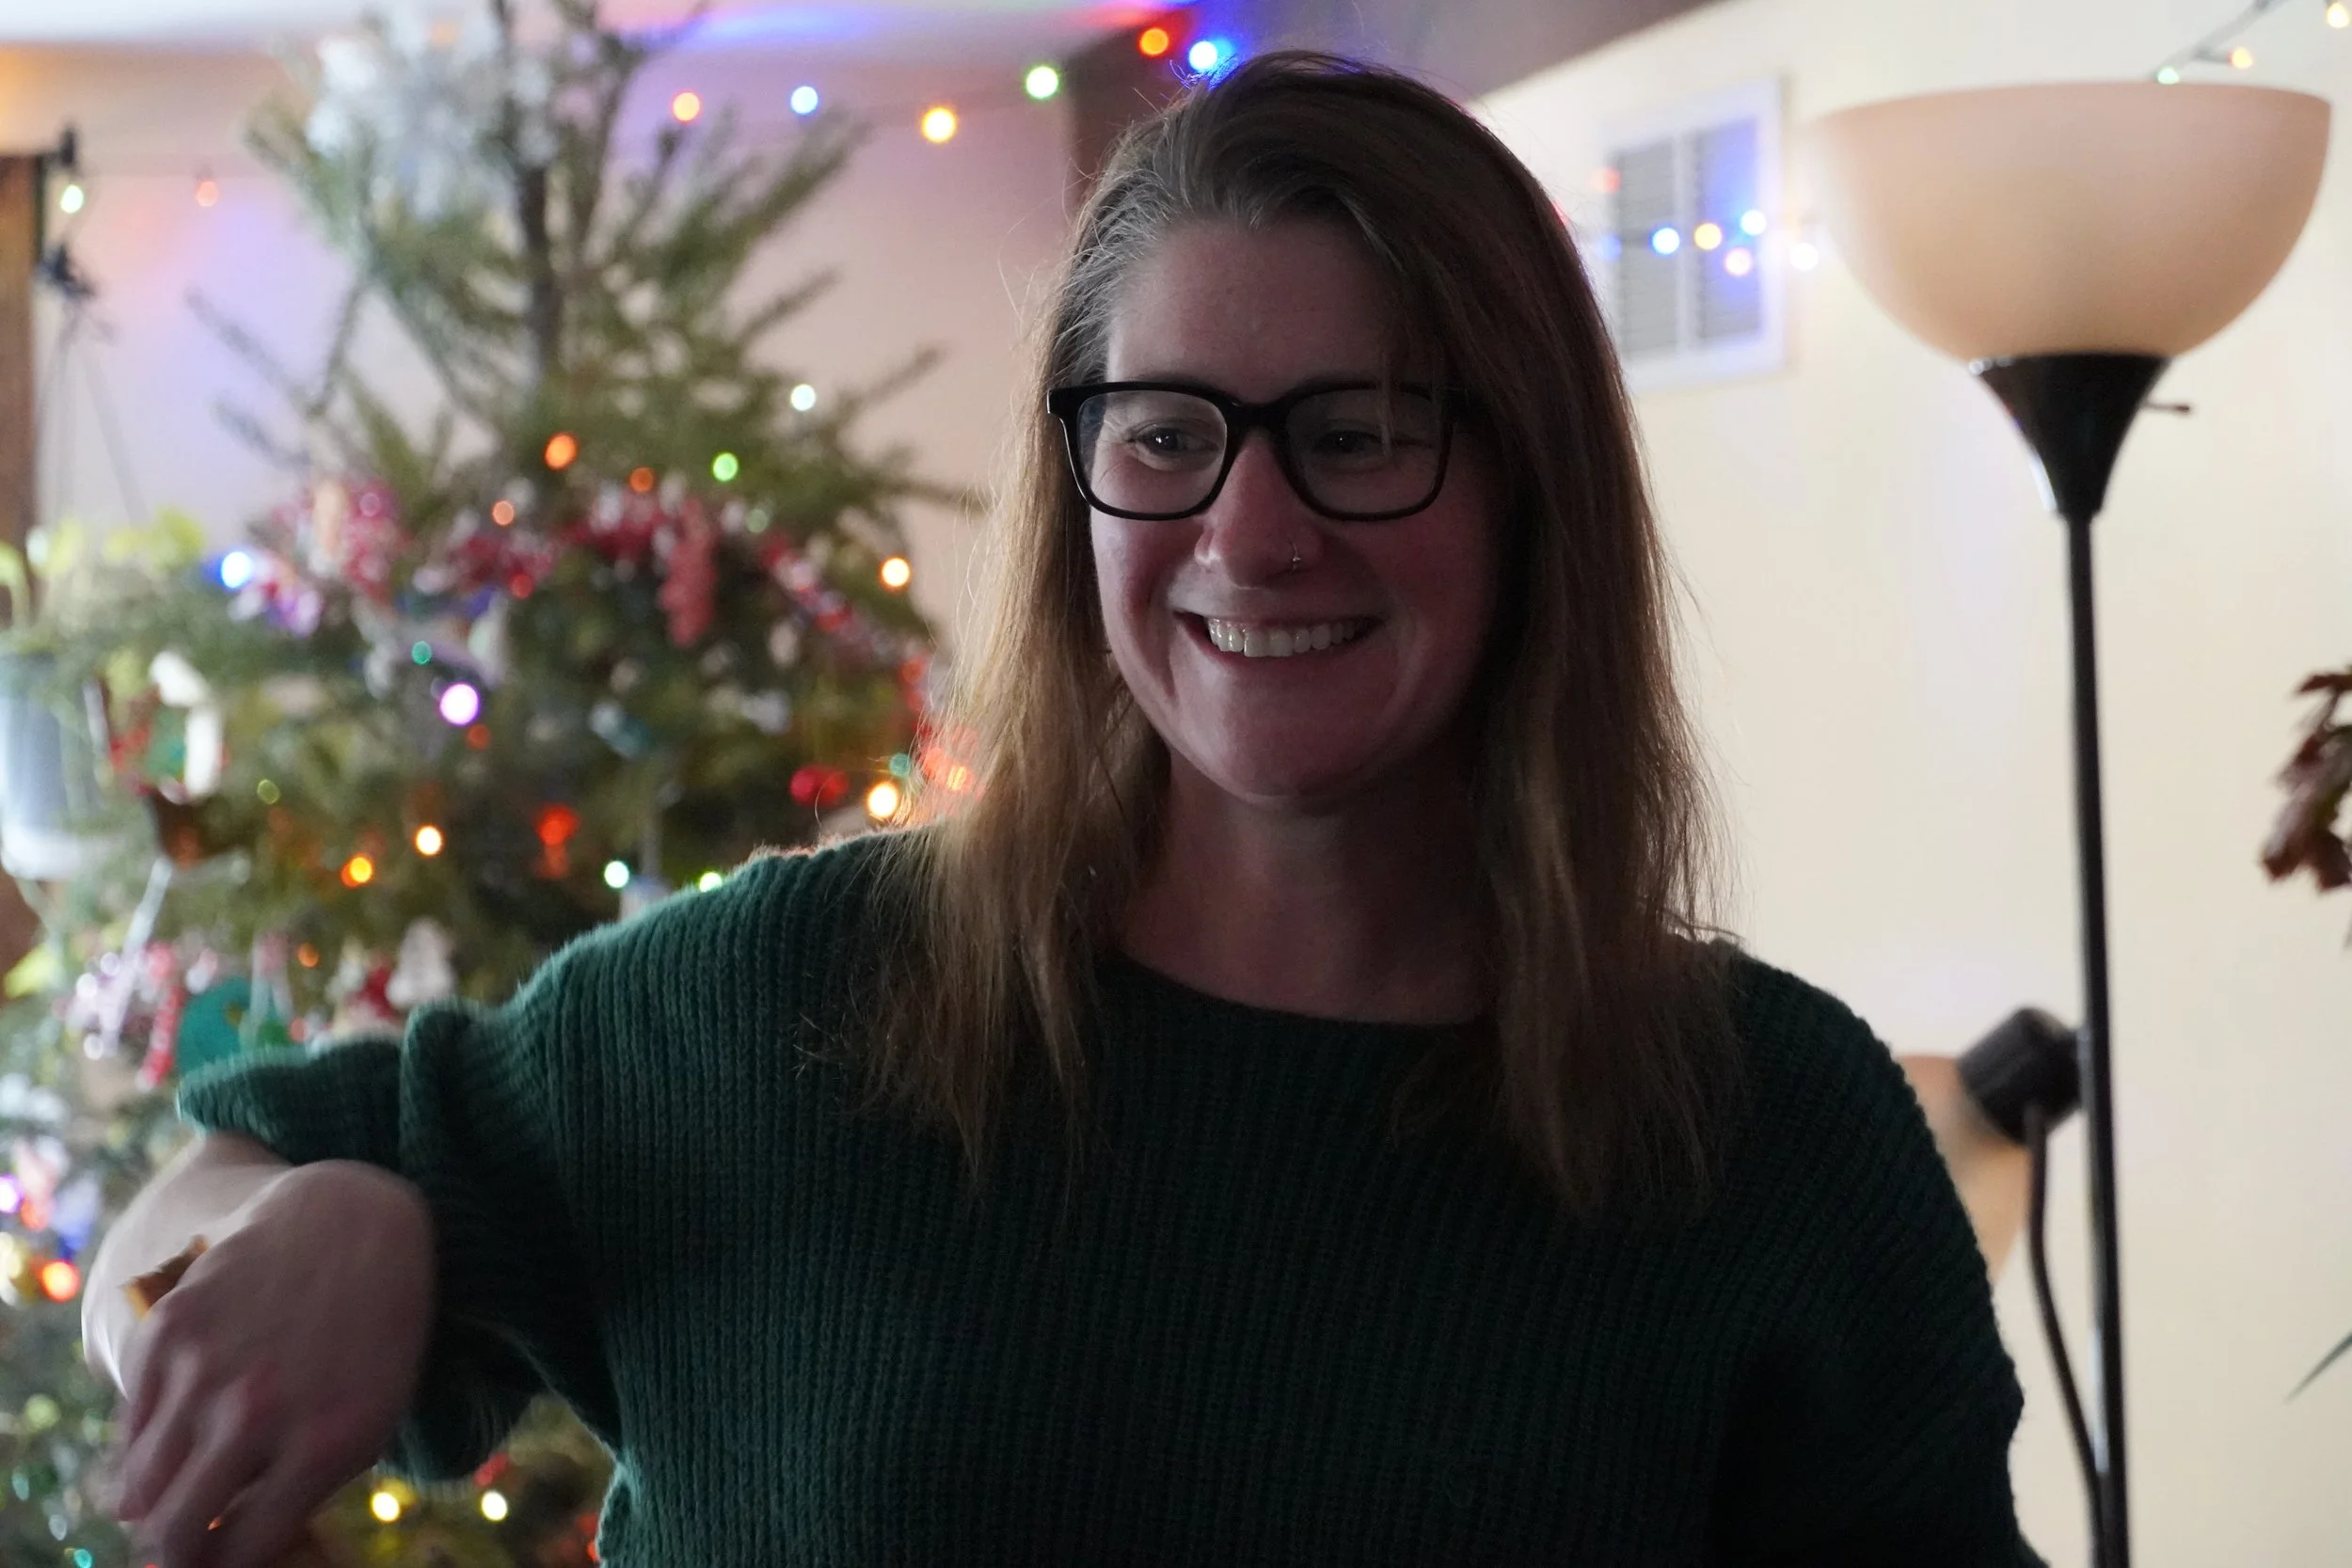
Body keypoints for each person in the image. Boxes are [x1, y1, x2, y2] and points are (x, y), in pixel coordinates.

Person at [85, 52, 2044, 1568]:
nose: (1247, 531)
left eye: (1357, 432)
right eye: (1166, 433)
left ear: (1527, 485)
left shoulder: (1765, 1130)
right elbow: (158, 1247)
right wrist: (326, 1206)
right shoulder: (790, 1001)